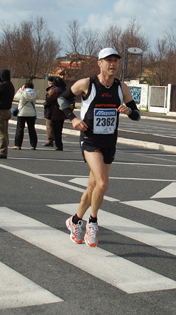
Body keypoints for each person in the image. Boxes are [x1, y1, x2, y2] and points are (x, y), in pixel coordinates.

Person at [59, 48, 141, 247]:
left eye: (115, 61)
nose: (112, 64)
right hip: (90, 139)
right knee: (103, 183)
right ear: (100, 63)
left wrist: (128, 110)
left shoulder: (122, 87)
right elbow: (62, 99)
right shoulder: (88, 83)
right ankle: (93, 223)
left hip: (109, 142)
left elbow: (137, 114)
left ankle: (75, 220)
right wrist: (73, 119)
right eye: (108, 61)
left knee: (92, 187)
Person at [0, 69, 15, 159]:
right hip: (7, 110)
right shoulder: (11, 86)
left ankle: (3, 152)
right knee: (5, 132)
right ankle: (5, 150)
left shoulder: (2, 85)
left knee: (1, 133)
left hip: (0, 111)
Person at [13, 80, 39, 150]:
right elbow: (36, 98)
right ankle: (33, 145)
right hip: (32, 113)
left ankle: (18, 145)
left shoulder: (22, 93)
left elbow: (15, 97)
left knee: (20, 129)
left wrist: (21, 89)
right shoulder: (35, 93)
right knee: (32, 129)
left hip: (22, 113)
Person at [44, 77, 67, 151]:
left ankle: (58, 145)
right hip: (63, 112)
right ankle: (59, 144)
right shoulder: (65, 90)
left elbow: (49, 100)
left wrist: (48, 94)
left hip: (55, 112)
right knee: (59, 130)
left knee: (55, 130)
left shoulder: (55, 91)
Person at [43, 76, 56, 147]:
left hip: (50, 110)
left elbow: (49, 100)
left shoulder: (51, 90)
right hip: (55, 110)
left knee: (49, 126)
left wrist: (45, 104)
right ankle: (55, 140)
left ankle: (50, 140)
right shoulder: (57, 89)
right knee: (55, 126)